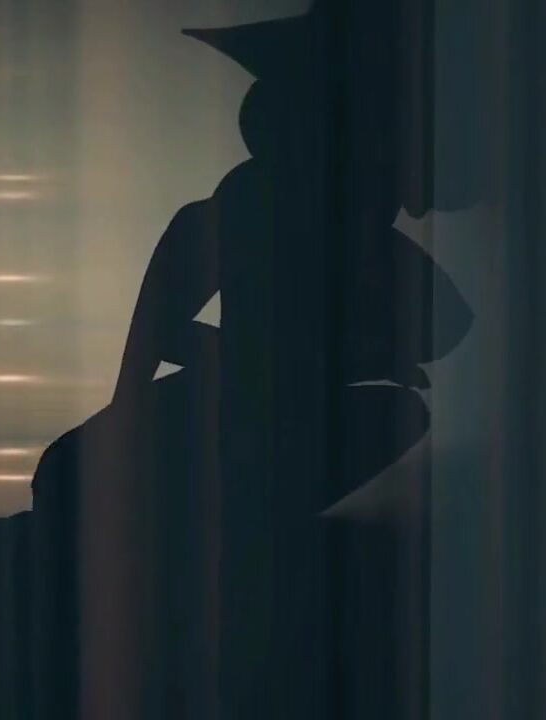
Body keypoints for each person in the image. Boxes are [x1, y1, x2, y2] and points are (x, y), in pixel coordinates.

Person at [33, 2, 473, 718]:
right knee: (65, 473)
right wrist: (214, 365)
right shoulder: (222, 215)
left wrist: (349, 352)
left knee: (391, 414)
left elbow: (446, 323)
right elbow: (153, 338)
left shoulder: (358, 237)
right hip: (234, 403)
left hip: (303, 415)